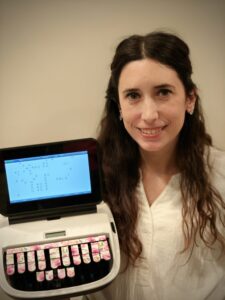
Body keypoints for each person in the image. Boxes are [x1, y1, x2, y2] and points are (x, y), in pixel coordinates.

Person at [84, 31, 225, 300]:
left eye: (163, 92)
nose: (149, 115)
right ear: (119, 106)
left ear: (189, 99)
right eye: (133, 96)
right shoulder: (93, 177)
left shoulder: (221, 175)